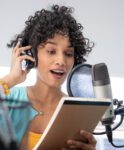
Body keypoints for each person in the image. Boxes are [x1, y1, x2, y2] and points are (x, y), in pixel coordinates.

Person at [0, 4, 97, 150]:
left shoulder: (77, 112)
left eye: (68, 54)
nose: (61, 61)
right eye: (51, 51)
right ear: (32, 53)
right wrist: (11, 79)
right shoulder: (8, 100)